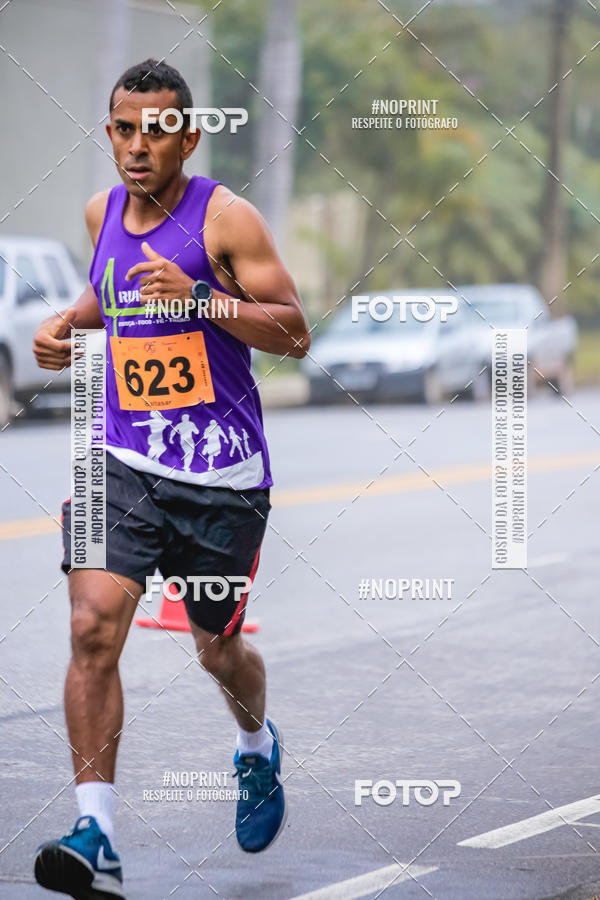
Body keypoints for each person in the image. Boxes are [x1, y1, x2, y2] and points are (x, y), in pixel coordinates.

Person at [32, 58, 310, 899]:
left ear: (188, 136)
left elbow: (294, 332)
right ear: (111, 134)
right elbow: (108, 296)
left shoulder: (229, 221)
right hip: (122, 464)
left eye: (157, 129)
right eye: (124, 128)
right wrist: (65, 325)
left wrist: (202, 297)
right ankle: (98, 834)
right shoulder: (100, 212)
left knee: (218, 649)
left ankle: (256, 751)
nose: (138, 144)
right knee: (91, 627)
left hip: (221, 478)